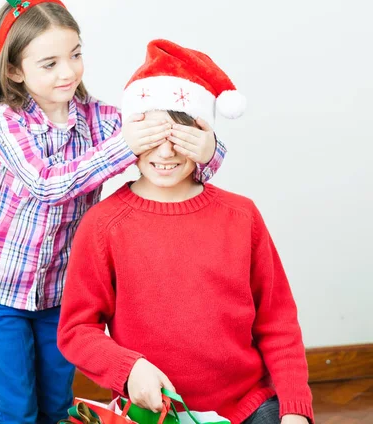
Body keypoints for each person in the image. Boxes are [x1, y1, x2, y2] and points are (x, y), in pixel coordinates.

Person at [0, 0, 226, 424]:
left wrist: (206, 148)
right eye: (49, 63)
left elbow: (163, 141)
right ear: (17, 71)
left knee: (55, 402)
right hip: (1, 294)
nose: (68, 71)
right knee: (16, 406)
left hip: (63, 297)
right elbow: (48, 184)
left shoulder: (99, 118)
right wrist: (124, 144)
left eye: (76, 54)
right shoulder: (6, 121)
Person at [57, 39, 314, 424]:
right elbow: (76, 330)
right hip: (154, 413)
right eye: (152, 138)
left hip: (248, 406)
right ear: (130, 137)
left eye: (179, 138)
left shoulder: (242, 216)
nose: (165, 154)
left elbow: (278, 323)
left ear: (203, 136)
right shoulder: (102, 226)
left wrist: (295, 410)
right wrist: (129, 369)